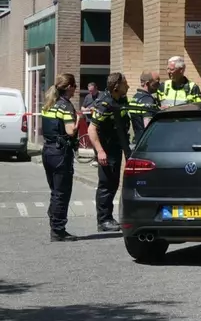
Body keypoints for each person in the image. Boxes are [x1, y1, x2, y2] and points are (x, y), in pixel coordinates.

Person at [87, 72, 132, 232]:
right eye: (125, 83)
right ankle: (103, 220)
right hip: (107, 149)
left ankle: (109, 217)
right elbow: (92, 129)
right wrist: (100, 151)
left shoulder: (121, 99)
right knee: (106, 184)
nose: (128, 86)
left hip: (117, 147)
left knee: (113, 183)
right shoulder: (104, 103)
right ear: (116, 86)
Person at [40, 73, 79, 242]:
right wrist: (80, 120)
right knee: (61, 192)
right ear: (69, 87)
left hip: (47, 150)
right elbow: (70, 131)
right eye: (75, 86)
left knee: (55, 191)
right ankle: (58, 229)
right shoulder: (66, 106)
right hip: (60, 153)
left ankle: (54, 221)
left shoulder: (49, 104)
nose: (76, 89)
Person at [128, 71, 160, 146]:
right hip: (146, 144)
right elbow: (148, 126)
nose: (159, 85)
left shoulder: (135, 97)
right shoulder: (148, 100)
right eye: (157, 82)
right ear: (148, 83)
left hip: (136, 140)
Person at [81, 82, 104, 167]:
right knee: (92, 139)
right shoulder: (88, 97)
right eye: (89, 91)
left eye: (92, 91)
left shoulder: (102, 95)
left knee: (98, 139)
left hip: (97, 120)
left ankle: (99, 158)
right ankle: (96, 157)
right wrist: (85, 109)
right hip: (89, 119)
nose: (91, 92)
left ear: (96, 88)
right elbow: (82, 107)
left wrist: (95, 108)